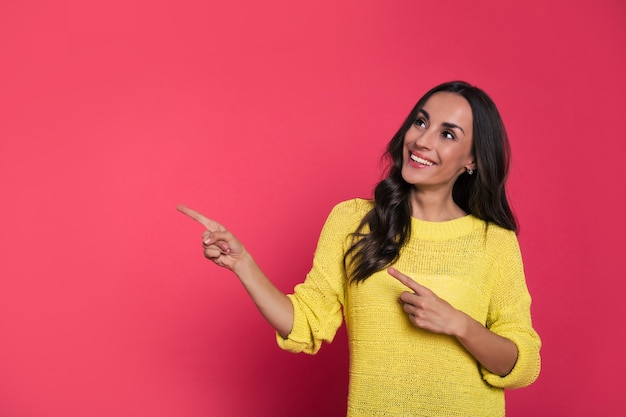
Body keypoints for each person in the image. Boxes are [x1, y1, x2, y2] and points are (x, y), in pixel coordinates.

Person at [177, 80, 541, 416]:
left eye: (447, 134)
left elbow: (521, 366)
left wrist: (460, 325)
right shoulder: (353, 221)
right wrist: (243, 264)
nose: (423, 141)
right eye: (420, 123)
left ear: (472, 160)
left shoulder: (492, 241)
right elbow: (305, 322)